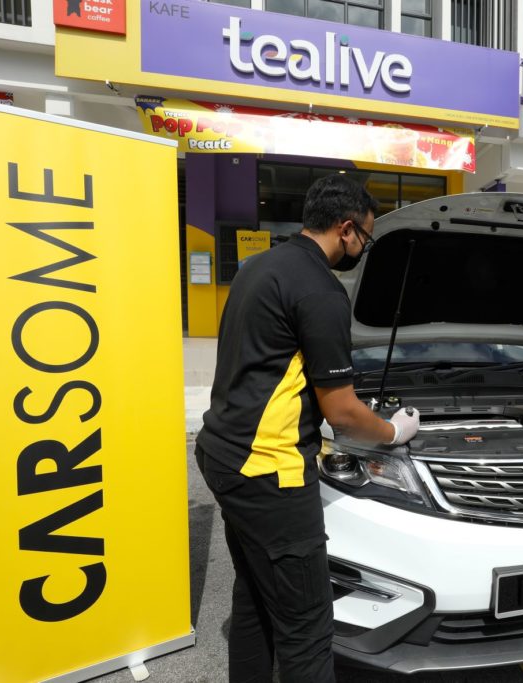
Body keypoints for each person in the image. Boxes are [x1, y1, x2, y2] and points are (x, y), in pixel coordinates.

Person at [195, 174, 420, 683]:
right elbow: (342, 413)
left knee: (255, 597)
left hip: (222, 453)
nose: (362, 248)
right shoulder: (320, 290)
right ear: (346, 229)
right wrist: (393, 431)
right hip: (268, 471)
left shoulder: (260, 267)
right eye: (365, 237)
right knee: (307, 628)